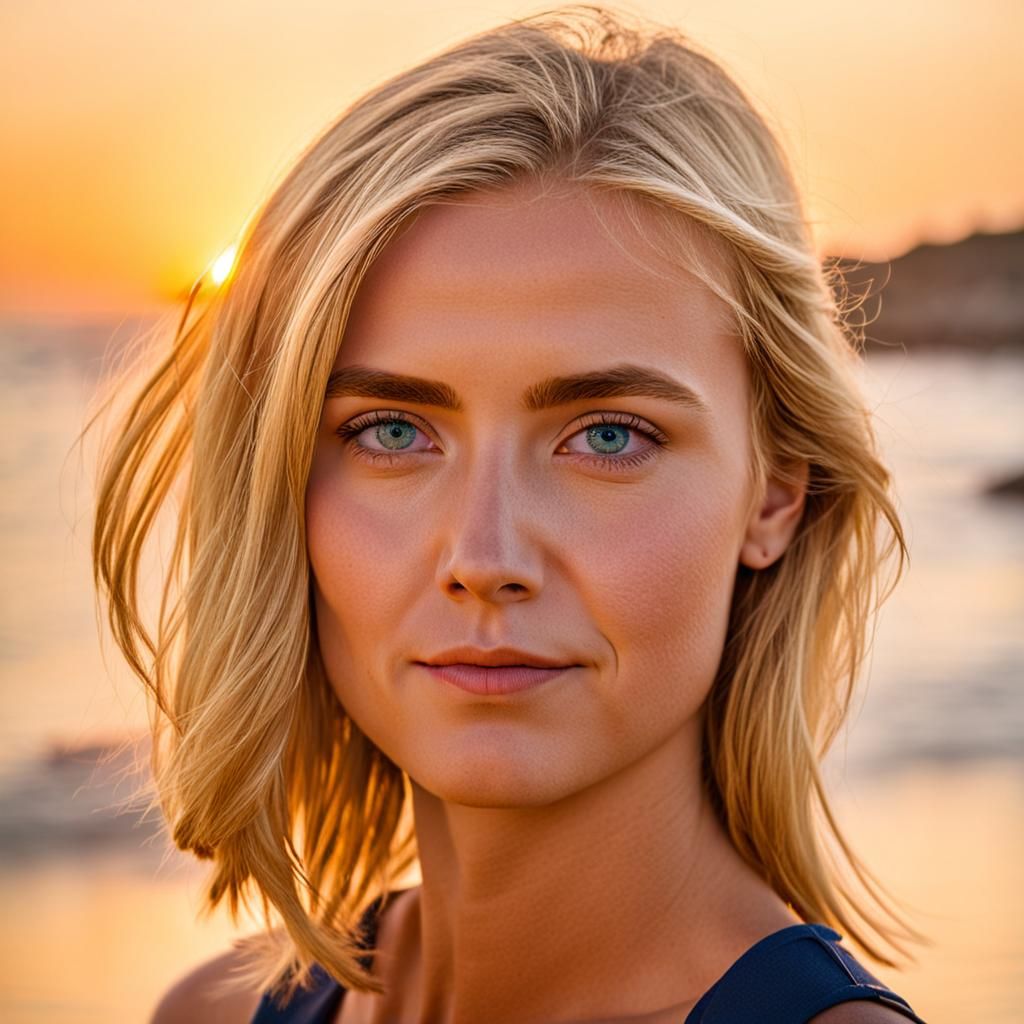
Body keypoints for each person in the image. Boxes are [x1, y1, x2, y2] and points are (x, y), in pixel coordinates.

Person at [89, 5, 931, 1022]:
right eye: (392, 431)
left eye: (608, 435)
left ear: (774, 493)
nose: (483, 558)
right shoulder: (212, 1013)